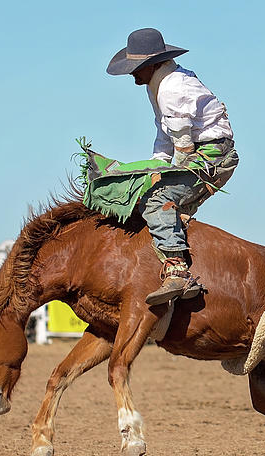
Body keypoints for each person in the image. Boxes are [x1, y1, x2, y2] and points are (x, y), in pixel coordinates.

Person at [107, 28, 239, 305]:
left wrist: (161, 177)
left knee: (157, 201)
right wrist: (155, 166)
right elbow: (163, 132)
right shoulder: (161, 84)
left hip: (211, 156)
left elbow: (182, 145)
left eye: (136, 69)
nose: (133, 77)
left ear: (151, 65)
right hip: (208, 151)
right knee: (156, 195)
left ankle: (177, 272)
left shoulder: (172, 88)